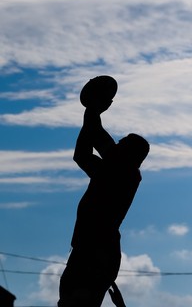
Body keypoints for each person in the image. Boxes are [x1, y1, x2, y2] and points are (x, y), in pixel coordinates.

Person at [58, 85, 150, 307]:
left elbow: (96, 134)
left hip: (96, 250)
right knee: (70, 298)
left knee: (77, 300)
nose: (116, 144)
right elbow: (81, 154)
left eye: (122, 143)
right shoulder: (111, 171)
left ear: (129, 154)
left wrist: (94, 109)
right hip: (89, 246)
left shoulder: (123, 172)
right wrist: (92, 111)